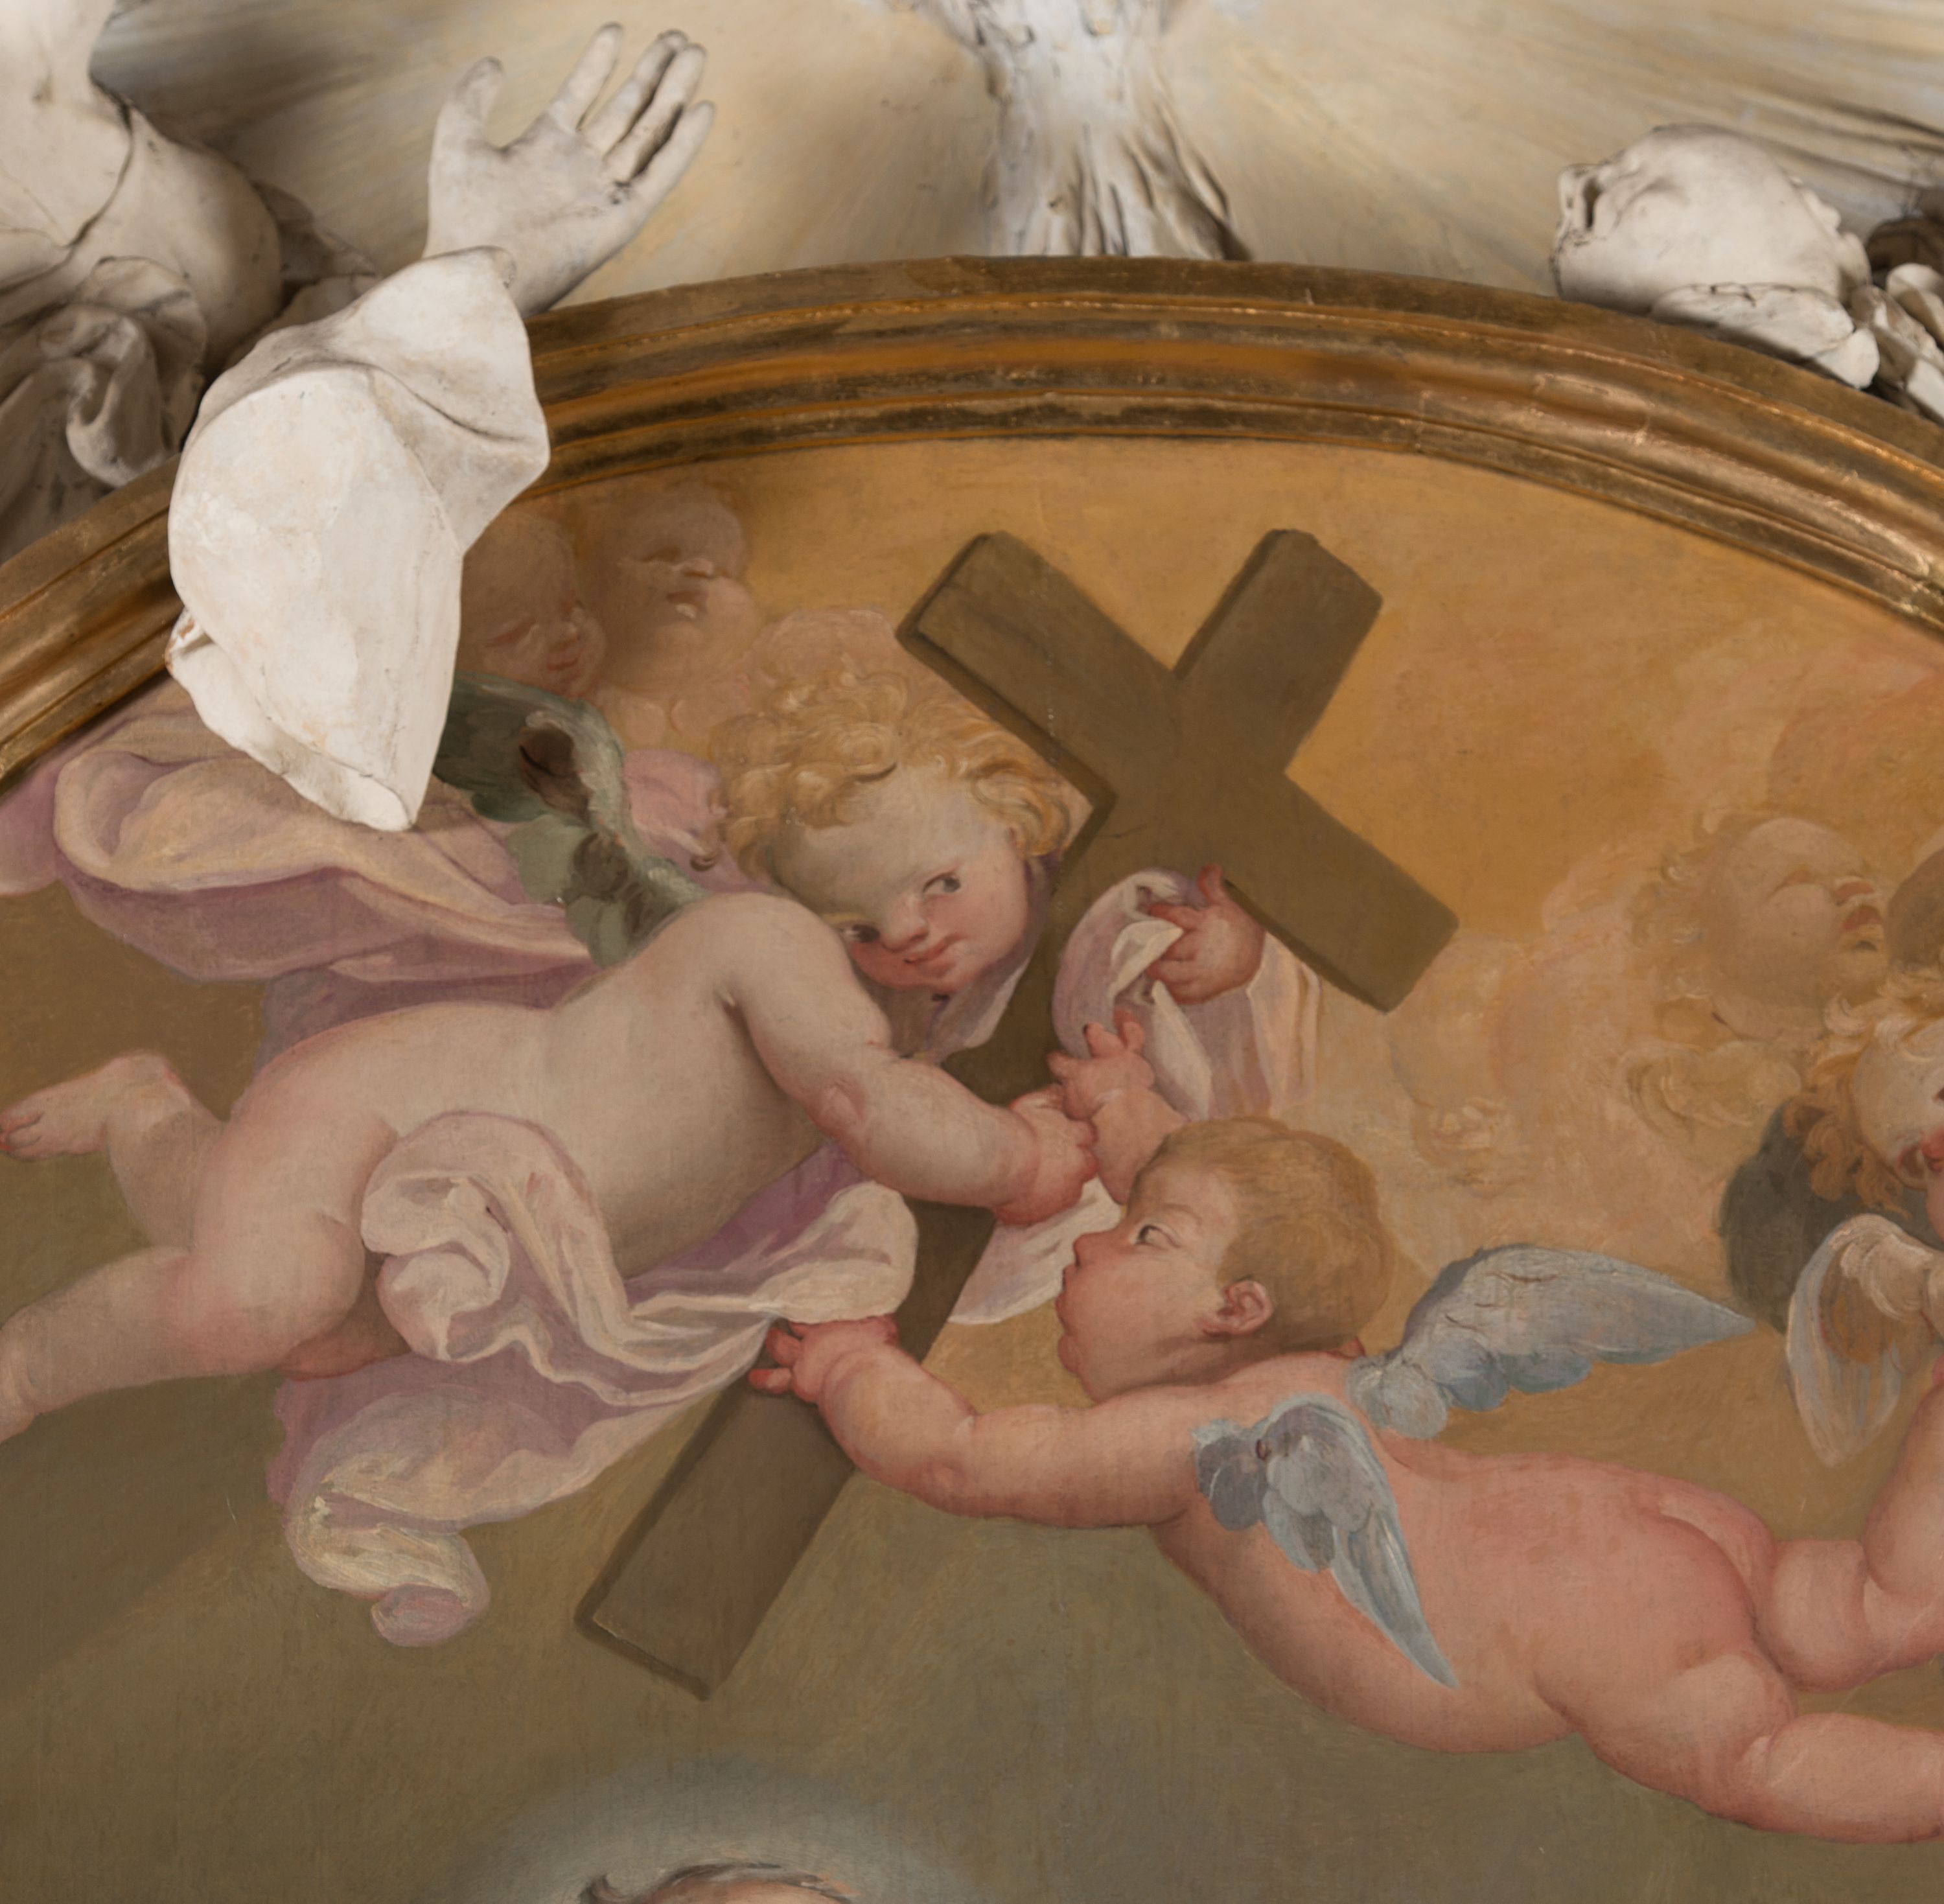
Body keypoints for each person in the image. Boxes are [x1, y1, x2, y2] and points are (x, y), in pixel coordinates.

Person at [756, 1019, 1944, 1842]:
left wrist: (851, 1364)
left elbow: (958, 1455)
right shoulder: (1330, 1367)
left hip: (1569, 1619)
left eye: (1138, 1238)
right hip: (1631, 1525)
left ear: (1239, 1311)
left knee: (1756, 1761)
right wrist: (1122, 1108)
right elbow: (1216, 1202)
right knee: (1862, 1603)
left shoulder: (1202, 1435)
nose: (1092, 1245)